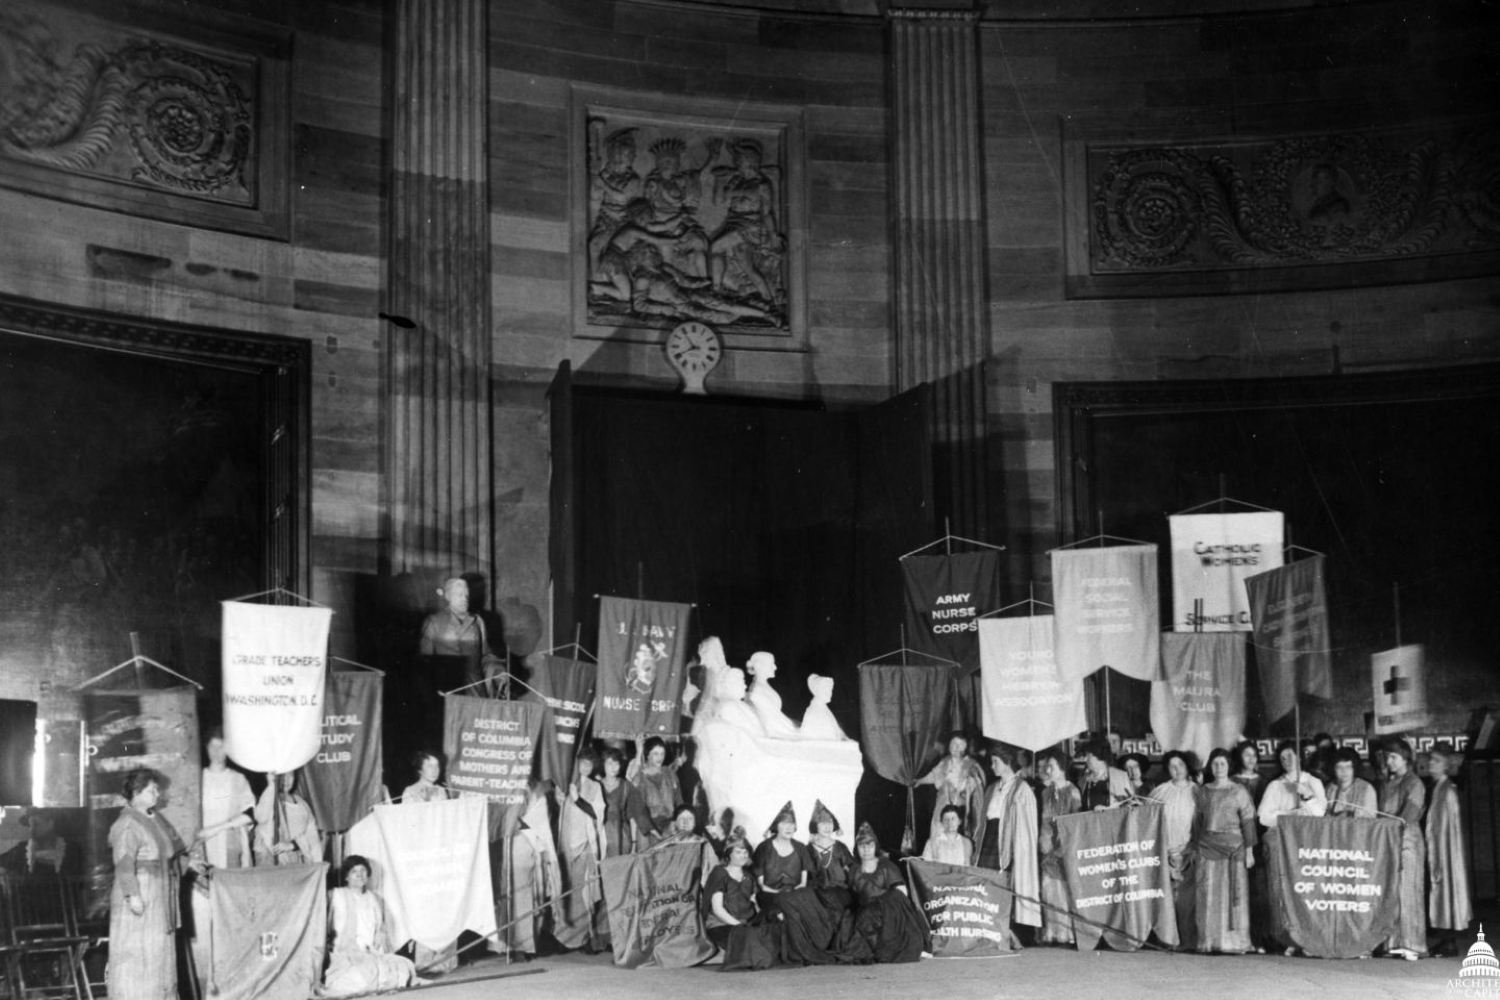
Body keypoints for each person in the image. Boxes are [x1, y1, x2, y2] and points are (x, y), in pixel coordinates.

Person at [108, 769, 200, 1000]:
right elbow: (123, 862)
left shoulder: (156, 818)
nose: (157, 794)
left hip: (160, 898)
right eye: (152, 790)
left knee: (159, 956)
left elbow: (172, 855)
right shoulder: (127, 822)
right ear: (136, 793)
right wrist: (132, 895)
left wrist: (192, 864)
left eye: (157, 789)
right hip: (140, 897)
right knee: (139, 957)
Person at [1258, 739, 1326, 955]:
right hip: (1280, 842)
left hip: (1306, 843)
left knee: (1305, 890)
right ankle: (1285, 937)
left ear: (1300, 757)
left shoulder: (1313, 782)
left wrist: (1306, 795)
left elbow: (1320, 813)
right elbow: (1263, 817)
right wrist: (1288, 816)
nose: (1287, 760)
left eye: (1291, 756)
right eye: (1283, 757)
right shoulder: (1275, 785)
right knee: (1280, 889)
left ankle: (1307, 937)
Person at [753, 802, 839, 965]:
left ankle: (818, 946)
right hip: (771, 895)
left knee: (812, 907)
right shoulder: (764, 848)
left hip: (796, 893)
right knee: (790, 911)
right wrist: (783, 895)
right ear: (776, 826)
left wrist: (793, 895)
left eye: (792, 824)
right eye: (784, 823)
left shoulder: (800, 848)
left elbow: (803, 882)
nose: (789, 827)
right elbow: (763, 886)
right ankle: (800, 953)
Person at [323, 855, 420, 996]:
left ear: (368, 875)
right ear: (346, 877)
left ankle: (375, 983)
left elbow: (381, 927)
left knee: (404, 966)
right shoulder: (336, 895)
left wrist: (381, 933)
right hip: (345, 954)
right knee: (362, 977)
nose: (359, 875)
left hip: (371, 951)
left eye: (363, 871)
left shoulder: (373, 898)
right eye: (354, 872)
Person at [1192, 747, 1257, 954]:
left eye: (1223, 763)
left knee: (1234, 897)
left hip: (1234, 849)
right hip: (1207, 847)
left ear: (1229, 766)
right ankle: (1209, 942)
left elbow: (1248, 822)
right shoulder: (1203, 791)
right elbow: (1198, 822)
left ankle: (1236, 943)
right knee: (1208, 895)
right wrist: (1195, 847)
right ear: (1210, 766)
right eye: (1215, 764)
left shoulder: (1239, 791)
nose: (1219, 767)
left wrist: (1249, 852)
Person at [974, 745, 1041, 937]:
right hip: (989, 839)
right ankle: (988, 929)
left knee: (1009, 884)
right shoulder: (992, 788)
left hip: (1011, 843)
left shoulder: (1022, 789)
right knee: (987, 883)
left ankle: (1012, 932)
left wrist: (1017, 849)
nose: (992, 766)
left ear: (1007, 764)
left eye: (996, 762)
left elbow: (1026, 827)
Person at [555, 747, 610, 952]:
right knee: (564, 892)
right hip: (564, 845)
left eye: (589, 763)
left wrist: (577, 798)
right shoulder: (563, 782)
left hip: (585, 846)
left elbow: (598, 814)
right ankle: (563, 940)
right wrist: (560, 798)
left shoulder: (595, 786)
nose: (585, 767)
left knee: (584, 894)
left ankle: (585, 937)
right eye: (582, 763)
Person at [848, 822, 928, 963]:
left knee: (868, 915)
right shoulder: (854, 869)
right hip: (865, 913)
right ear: (857, 848)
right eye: (862, 846)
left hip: (889, 914)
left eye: (870, 845)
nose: (866, 849)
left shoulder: (886, 866)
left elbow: (901, 893)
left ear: (875, 847)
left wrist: (878, 905)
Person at [1379, 737, 1427, 960]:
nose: (1389, 761)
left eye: (1394, 757)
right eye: (1388, 757)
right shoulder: (1389, 783)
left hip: (1408, 840)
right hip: (1390, 840)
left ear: (1405, 758)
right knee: (1393, 891)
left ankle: (1413, 944)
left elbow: (1409, 813)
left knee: (1409, 891)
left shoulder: (1415, 783)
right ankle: (1394, 942)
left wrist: (1391, 825)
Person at [704, 830, 780, 970]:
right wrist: (739, 925)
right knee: (748, 935)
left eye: (745, 852)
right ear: (729, 854)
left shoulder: (749, 876)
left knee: (772, 927)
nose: (743, 856)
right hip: (722, 925)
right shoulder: (720, 873)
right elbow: (718, 909)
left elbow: (754, 903)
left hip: (746, 922)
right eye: (738, 852)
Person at [1425, 743, 1473, 957]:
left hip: (1445, 850)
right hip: (1437, 847)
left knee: (1447, 891)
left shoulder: (1448, 791)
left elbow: (1448, 828)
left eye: (1437, 761)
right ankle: (1444, 938)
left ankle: (1449, 941)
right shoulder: (1437, 788)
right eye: (1431, 760)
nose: (1431, 764)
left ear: (1446, 765)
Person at [1148, 751, 1199, 950]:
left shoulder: (1199, 791)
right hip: (1165, 853)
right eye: (1172, 766)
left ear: (1187, 766)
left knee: (1188, 901)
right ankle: (1167, 941)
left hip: (1190, 853)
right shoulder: (1160, 792)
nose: (1176, 769)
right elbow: (1148, 821)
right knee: (1167, 901)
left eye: (1180, 764)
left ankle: (1188, 942)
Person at [419, 577, 503, 695]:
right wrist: (431, 690)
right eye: (459, 594)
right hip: (445, 693)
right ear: (448, 596)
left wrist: (498, 671)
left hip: (475, 692)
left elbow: (486, 657)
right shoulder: (434, 622)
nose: (464, 599)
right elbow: (424, 663)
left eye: (466, 595)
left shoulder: (477, 622)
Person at [1035, 747, 1082, 946]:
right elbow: (1044, 821)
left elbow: (1076, 823)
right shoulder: (1045, 792)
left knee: (1065, 890)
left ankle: (1068, 933)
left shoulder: (1073, 791)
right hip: (1047, 847)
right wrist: (1044, 843)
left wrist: (1061, 847)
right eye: (1046, 767)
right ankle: (1052, 931)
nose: (1047, 771)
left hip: (1065, 847)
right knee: (1048, 888)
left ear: (1062, 768)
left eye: (1051, 767)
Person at [915, 730, 987, 849]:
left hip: (961, 810)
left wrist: (963, 786)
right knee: (938, 838)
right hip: (942, 807)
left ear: (965, 747)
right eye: (953, 744)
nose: (956, 748)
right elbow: (933, 776)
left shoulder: (971, 765)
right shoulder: (944, 762)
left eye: (959, 745)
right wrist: (919, 781)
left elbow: (977, 787)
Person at [253, 771, 322, 866]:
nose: (286, 779)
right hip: (272, 864)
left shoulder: (301, 803)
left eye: (290, 775)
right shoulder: (268, 798)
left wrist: (294, 844)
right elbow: (261, 817)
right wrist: (271, 786)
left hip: (298, 863)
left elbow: (313, 837)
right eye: (282, 775)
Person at [628, 736, 682, 839]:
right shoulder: (639, 779)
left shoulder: (670, 774)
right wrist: (653, 831)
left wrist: (677, 823)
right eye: (655, 754)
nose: (660, 758)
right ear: (648, 755)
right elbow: (638, 809)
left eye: (662, 754)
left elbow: (679, 801)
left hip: (669, 827)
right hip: (648, 830)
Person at [806, 800, 856, 911]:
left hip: (841, 893)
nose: (827, 826)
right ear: (815, 826)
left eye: (829, 822)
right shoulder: (808, 850)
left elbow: (853, 870)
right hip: (816, 895)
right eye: (822, 823)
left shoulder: (840, 847)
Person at [598, 746, 647, 857]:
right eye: (609, 763)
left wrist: (634, 843)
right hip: (601, 837)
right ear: (603, 765)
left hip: (622, 837)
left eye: (616, 763)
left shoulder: (625, 785)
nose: (613, 767)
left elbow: (632, 816)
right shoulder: (596, 785)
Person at [745, 651, 800, 739]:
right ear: (760, 666)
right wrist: (796, 729)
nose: (775, 667)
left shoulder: (762, 686)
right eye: (772, 664)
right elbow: (773, 721)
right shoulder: (757, 690)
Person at [1077, 738, 1132, 811]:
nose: (1085, 759)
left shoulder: (1120, 777)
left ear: (1099, 756)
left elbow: (1129, 806)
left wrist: (1107, 810)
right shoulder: (1083, 780)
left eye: (1088, 756)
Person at [1325, 746, 1377, 818]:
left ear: (1354, 768)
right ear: (1334, 769)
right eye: (1339, 767)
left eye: (1348, 767)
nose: (1344, 771)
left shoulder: (1366, 788)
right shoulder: (1330, 788)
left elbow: (1371, 817)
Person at [799, 674, 850, 741]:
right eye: (825, 689)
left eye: (830, 689)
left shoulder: (824, 709)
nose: (829, 693)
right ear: (818, 690)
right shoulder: (813, 712)